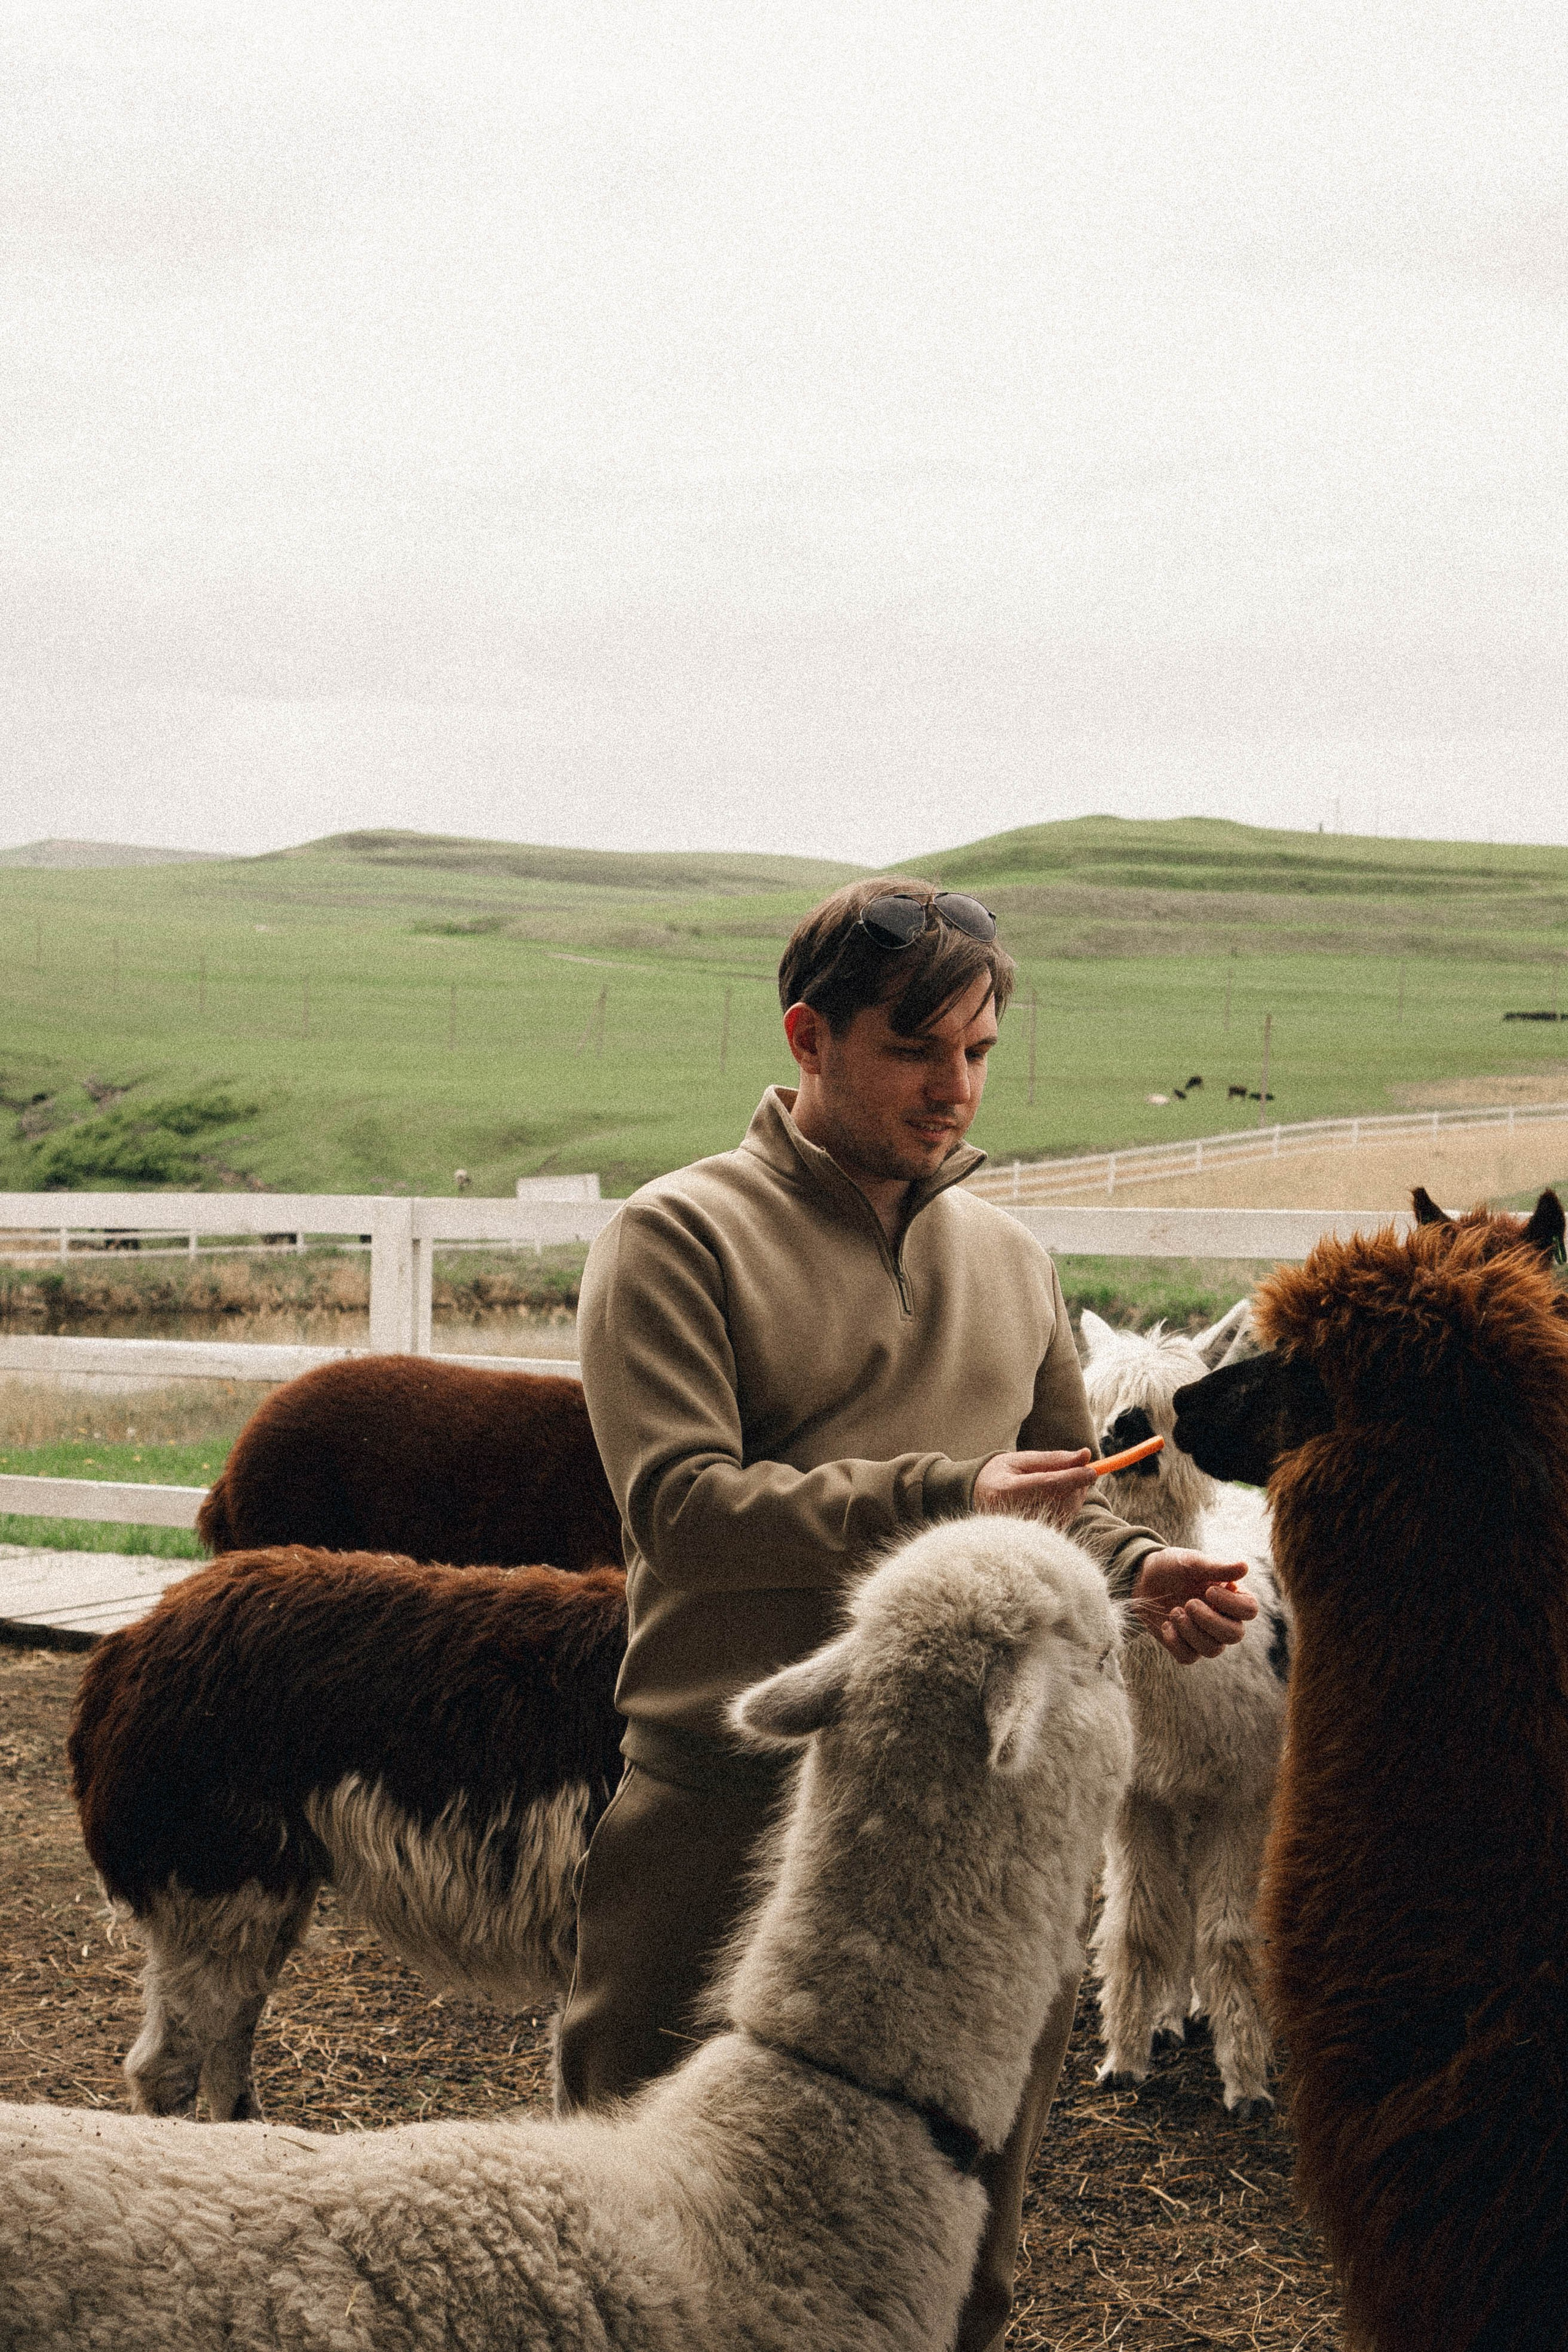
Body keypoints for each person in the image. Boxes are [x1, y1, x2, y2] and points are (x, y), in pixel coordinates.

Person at [557, 876, 1255, 2352]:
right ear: (807, 1036)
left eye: (978, 1053)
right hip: (727, 1794)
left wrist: (1140, 1582)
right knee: (634, 2229)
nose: (954, 1091)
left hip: (987, 1822)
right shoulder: (674, 1237)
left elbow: (1065, 1504)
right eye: (913, 1049)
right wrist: (944, 1492)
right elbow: (677, 1506)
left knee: (955, 2231)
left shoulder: (1010, 1261)